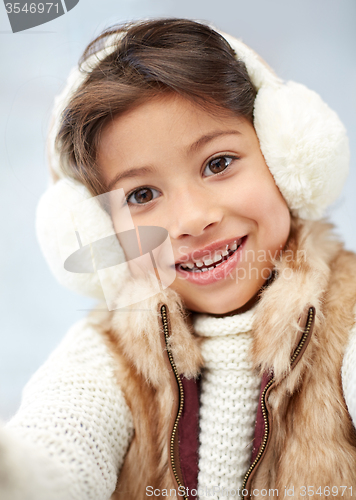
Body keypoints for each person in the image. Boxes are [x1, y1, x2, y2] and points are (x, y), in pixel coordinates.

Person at [1, 18, 356, 500]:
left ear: (284, 157)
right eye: (142, 194)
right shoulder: (107, 354)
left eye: (218, 162)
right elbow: (54, 454)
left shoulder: (348, 316)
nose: (191, 219)